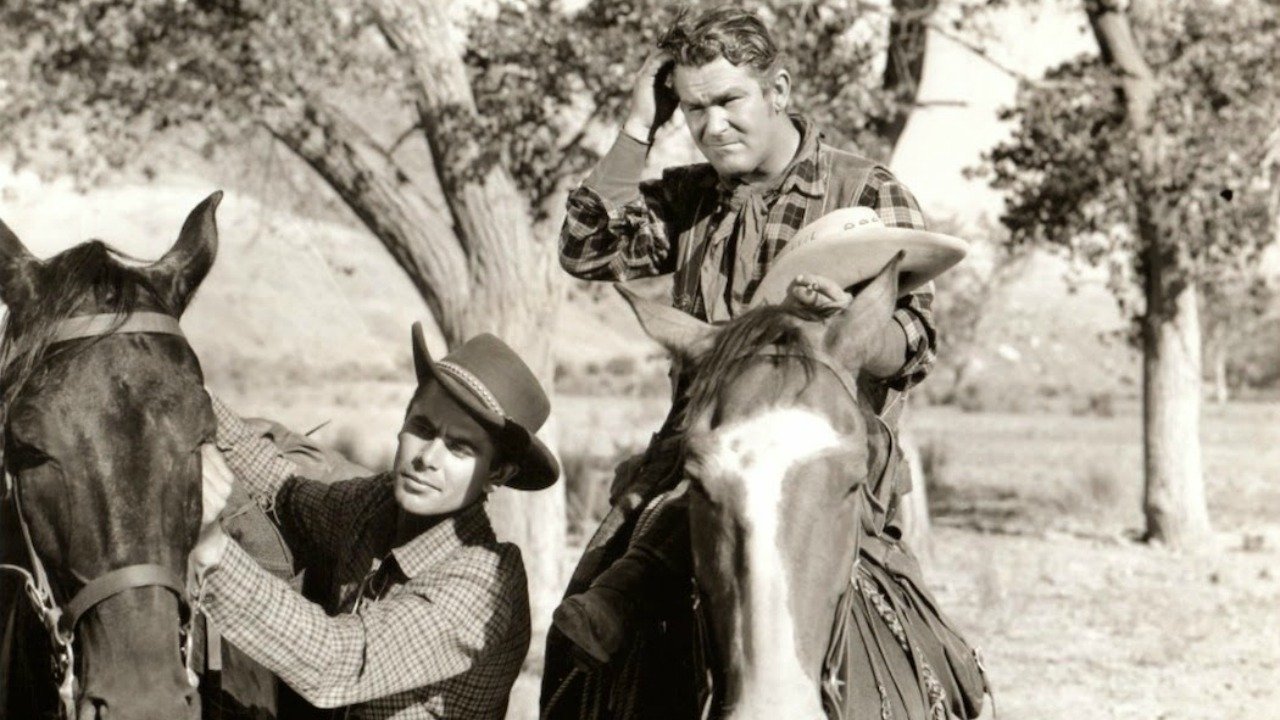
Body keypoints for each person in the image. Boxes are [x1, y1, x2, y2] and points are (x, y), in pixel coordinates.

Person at [543, 7, 985, 719]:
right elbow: (585, 248)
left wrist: (849, 329)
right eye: (694, 109)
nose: (713, 125)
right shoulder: (687, 200)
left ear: (777, 90)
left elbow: (918, 337)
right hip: (701, 457)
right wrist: (638, 125)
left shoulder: (866, 190)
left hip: (827, 463)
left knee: (943, 659)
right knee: (585, 615)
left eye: (729, 100)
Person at [190, 326, 560, 720]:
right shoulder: (378, 505)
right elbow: (286, 491)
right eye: (423, 428)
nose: (428, 458)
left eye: (460, 447)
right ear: (402, 423)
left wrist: (213, 550)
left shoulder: (484, 584)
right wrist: (190, 397)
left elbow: (337, 663)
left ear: (497, 474)